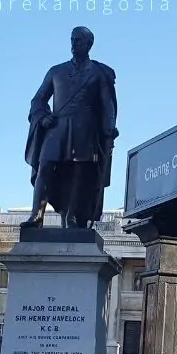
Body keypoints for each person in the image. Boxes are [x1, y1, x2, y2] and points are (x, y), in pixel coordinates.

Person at [21, 26, 118, 229]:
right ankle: (36, 215)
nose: (74, 44)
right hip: (58, 128)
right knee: (45, 166)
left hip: (85, 130)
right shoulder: (56, 71)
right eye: (72, 40)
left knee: (79, 172)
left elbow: (107, 106)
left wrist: (108, 131)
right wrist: (43, 116)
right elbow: (38, 99)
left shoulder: (99, 73)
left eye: (79, 41)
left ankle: (72, 216)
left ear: (89, 44)